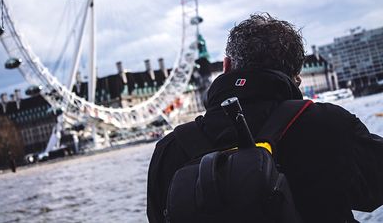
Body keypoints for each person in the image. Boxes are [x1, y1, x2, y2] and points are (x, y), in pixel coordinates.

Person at [147, 13, 383, 223]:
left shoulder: (170, 150)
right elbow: (373, 191)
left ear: (227, 66)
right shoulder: (329, 125)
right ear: (297, 77)